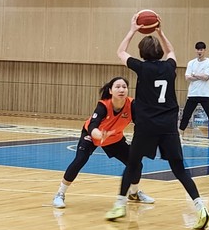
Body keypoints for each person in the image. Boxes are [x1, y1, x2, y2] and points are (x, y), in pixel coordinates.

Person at [105, 12, 209, 230]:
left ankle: (120, 205)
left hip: (146, 126)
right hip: (168, 127)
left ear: (142, 53)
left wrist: (132, 30)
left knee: (133, 164)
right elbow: (171, 51)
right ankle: (200, 207)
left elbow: (120, 52)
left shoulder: (141, 68)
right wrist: (160, 32)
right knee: (179, 169)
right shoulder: (169, 66)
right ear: (160, 52)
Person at [52, 76, 155, 208]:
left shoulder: (132, 105)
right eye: (118, 87)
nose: (121, 89)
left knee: (136, 164)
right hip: (92, 136)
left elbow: (140, 124)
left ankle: (134, 194)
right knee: (80, 160)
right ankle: (60, 194)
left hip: (114, 138)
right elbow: (92, 126)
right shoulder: (103, 105)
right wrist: (99, 135)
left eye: (124, 87)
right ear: (111, 91)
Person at [179, 41, 209, 147]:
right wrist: (199, 76)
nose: (199, 52)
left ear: (204, 50)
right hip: (193, 93)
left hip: (205, 94)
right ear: (195, 50)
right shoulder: (191, 63)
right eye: (198, 49)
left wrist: (194, 74)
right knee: (186, 115)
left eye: (201, 50)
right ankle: (180, 136)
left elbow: (206, 77)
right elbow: (187, 77)